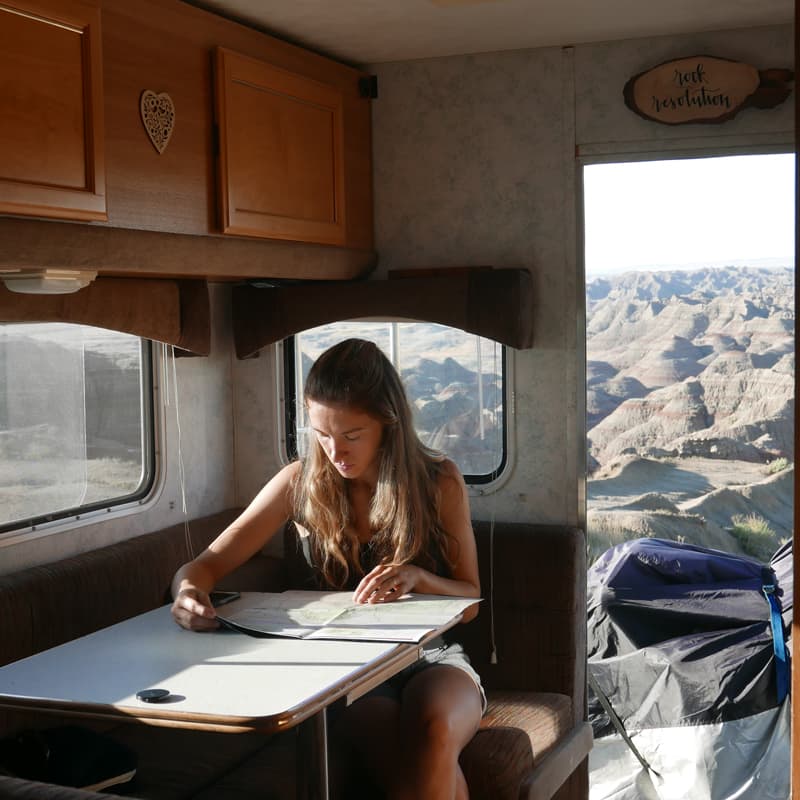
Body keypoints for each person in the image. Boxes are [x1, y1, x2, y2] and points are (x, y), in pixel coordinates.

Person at [171, 338, 484, 800]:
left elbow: (471, 600)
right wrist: (186, 594)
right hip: (346, 675)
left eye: (352, 435)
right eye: (321, 434)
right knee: (411, 772)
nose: (335, 451)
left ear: (388, 424)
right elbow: (205, 565)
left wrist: (420, 578)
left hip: (431, 657)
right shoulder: (298, 483)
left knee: (434, 729)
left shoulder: (439, 482)